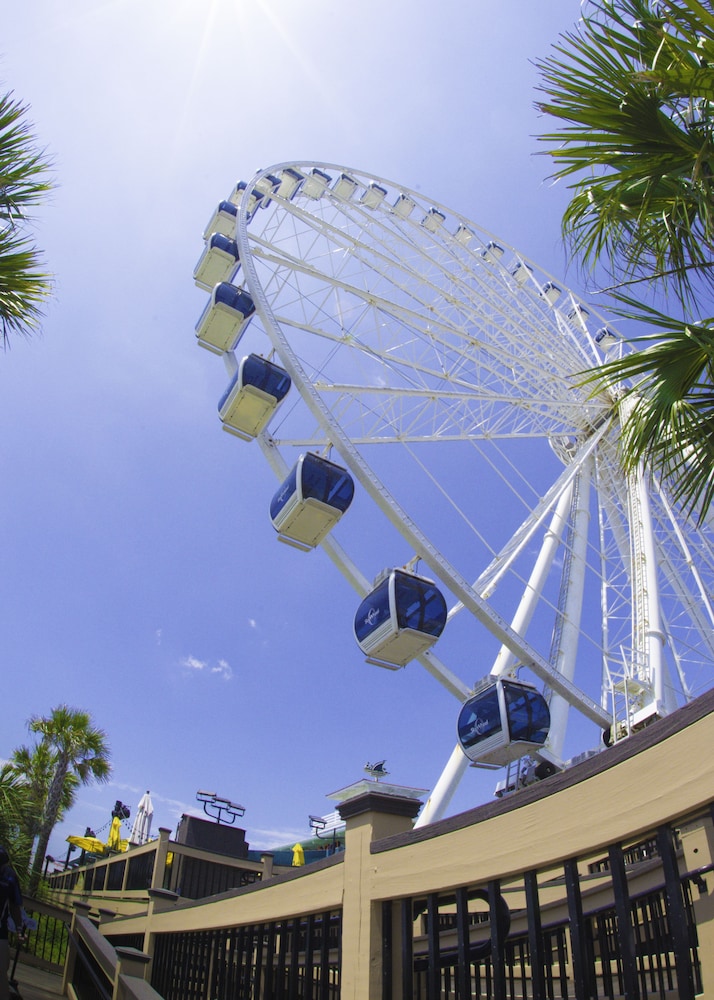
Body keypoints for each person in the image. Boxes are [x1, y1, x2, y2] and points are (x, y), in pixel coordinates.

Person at [0, 848, 24, 1000]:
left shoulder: (9, 876)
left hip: (0, 932)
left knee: (2, 969)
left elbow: (15, 906)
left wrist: (19, 929)